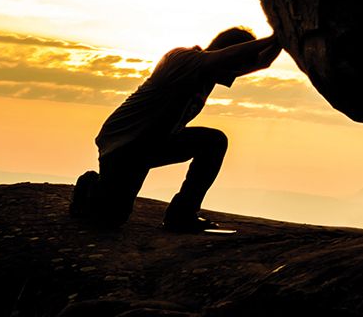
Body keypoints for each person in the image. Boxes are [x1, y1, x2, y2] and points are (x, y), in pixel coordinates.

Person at [70, 27, 282, 232]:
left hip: (154, 143)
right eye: (235, 66)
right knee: (110, 219)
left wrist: (283, 38)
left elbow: (262, 62)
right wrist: (274, 36)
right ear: (225, 54)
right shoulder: (182, 58)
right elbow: (230, 56)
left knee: (214, 141)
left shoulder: (211, 72)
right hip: (125, 144)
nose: (235, 75)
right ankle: (90, 185)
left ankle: (182, 215)